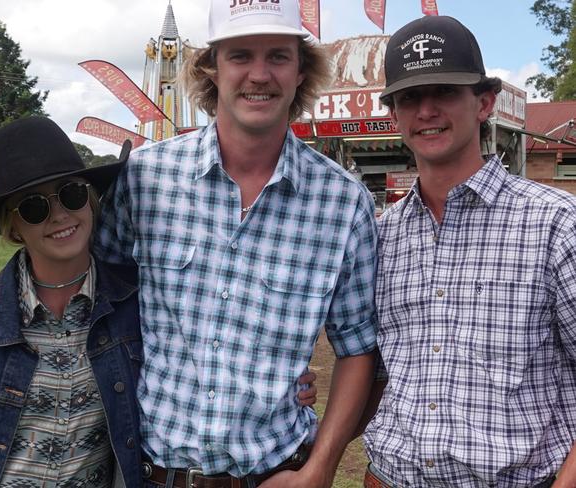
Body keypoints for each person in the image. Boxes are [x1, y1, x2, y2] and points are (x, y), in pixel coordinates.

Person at [94, 0, 379, 486]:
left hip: (275, 472)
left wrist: (321, 467)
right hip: (153, 472)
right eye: (241, 55)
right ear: (212, 67)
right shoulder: (145, 179)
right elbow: (100, 300)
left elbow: (357, 349)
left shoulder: (343, 202)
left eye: (279, 56)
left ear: (300, 69)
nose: (260, 74)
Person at [361, 15, 576, 487]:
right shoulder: (380, 236)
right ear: (394, 114)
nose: (426, 110)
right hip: (391, 477)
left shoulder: (556, 223)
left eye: (444, 91)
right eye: (410, 97)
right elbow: (371, 367)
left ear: (483, 102)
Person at [0, 116, 143, 487]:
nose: (59, 214)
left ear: (90, 200)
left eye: (71, 193)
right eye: (33, 206)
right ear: (13, 227)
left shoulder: (132, 307)